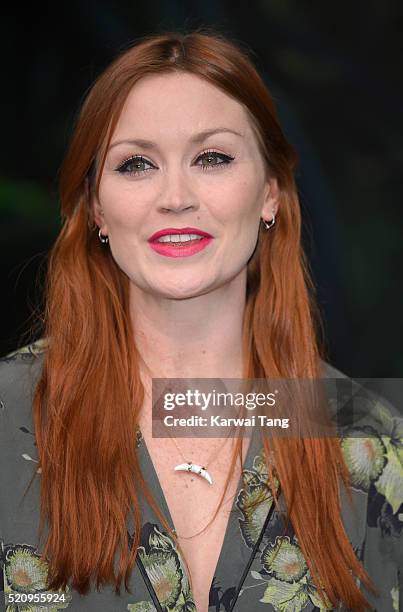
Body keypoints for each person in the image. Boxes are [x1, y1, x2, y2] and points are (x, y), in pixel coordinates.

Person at [0, 28, 401, 612]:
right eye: (136, 164)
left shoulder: (369, 441)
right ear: (94, 206)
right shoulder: (7, 415)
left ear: (270, 193)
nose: (176, 196)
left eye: (212, 157)